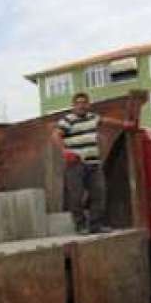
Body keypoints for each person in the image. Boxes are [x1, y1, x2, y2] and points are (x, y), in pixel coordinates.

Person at [52, 92, 110, 234]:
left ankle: (95, 225)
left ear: (88, 105)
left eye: (84, 102)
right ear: (73, 106)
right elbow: (55, 135)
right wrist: (65, 152)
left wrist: (125, 124)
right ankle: (80, 226)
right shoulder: (68, 120)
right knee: (76, 195)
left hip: (94, 164)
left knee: (99, 194)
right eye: (78, 103)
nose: (81, 105)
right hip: (76, 164)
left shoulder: (93, 118)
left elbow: (107, 121)